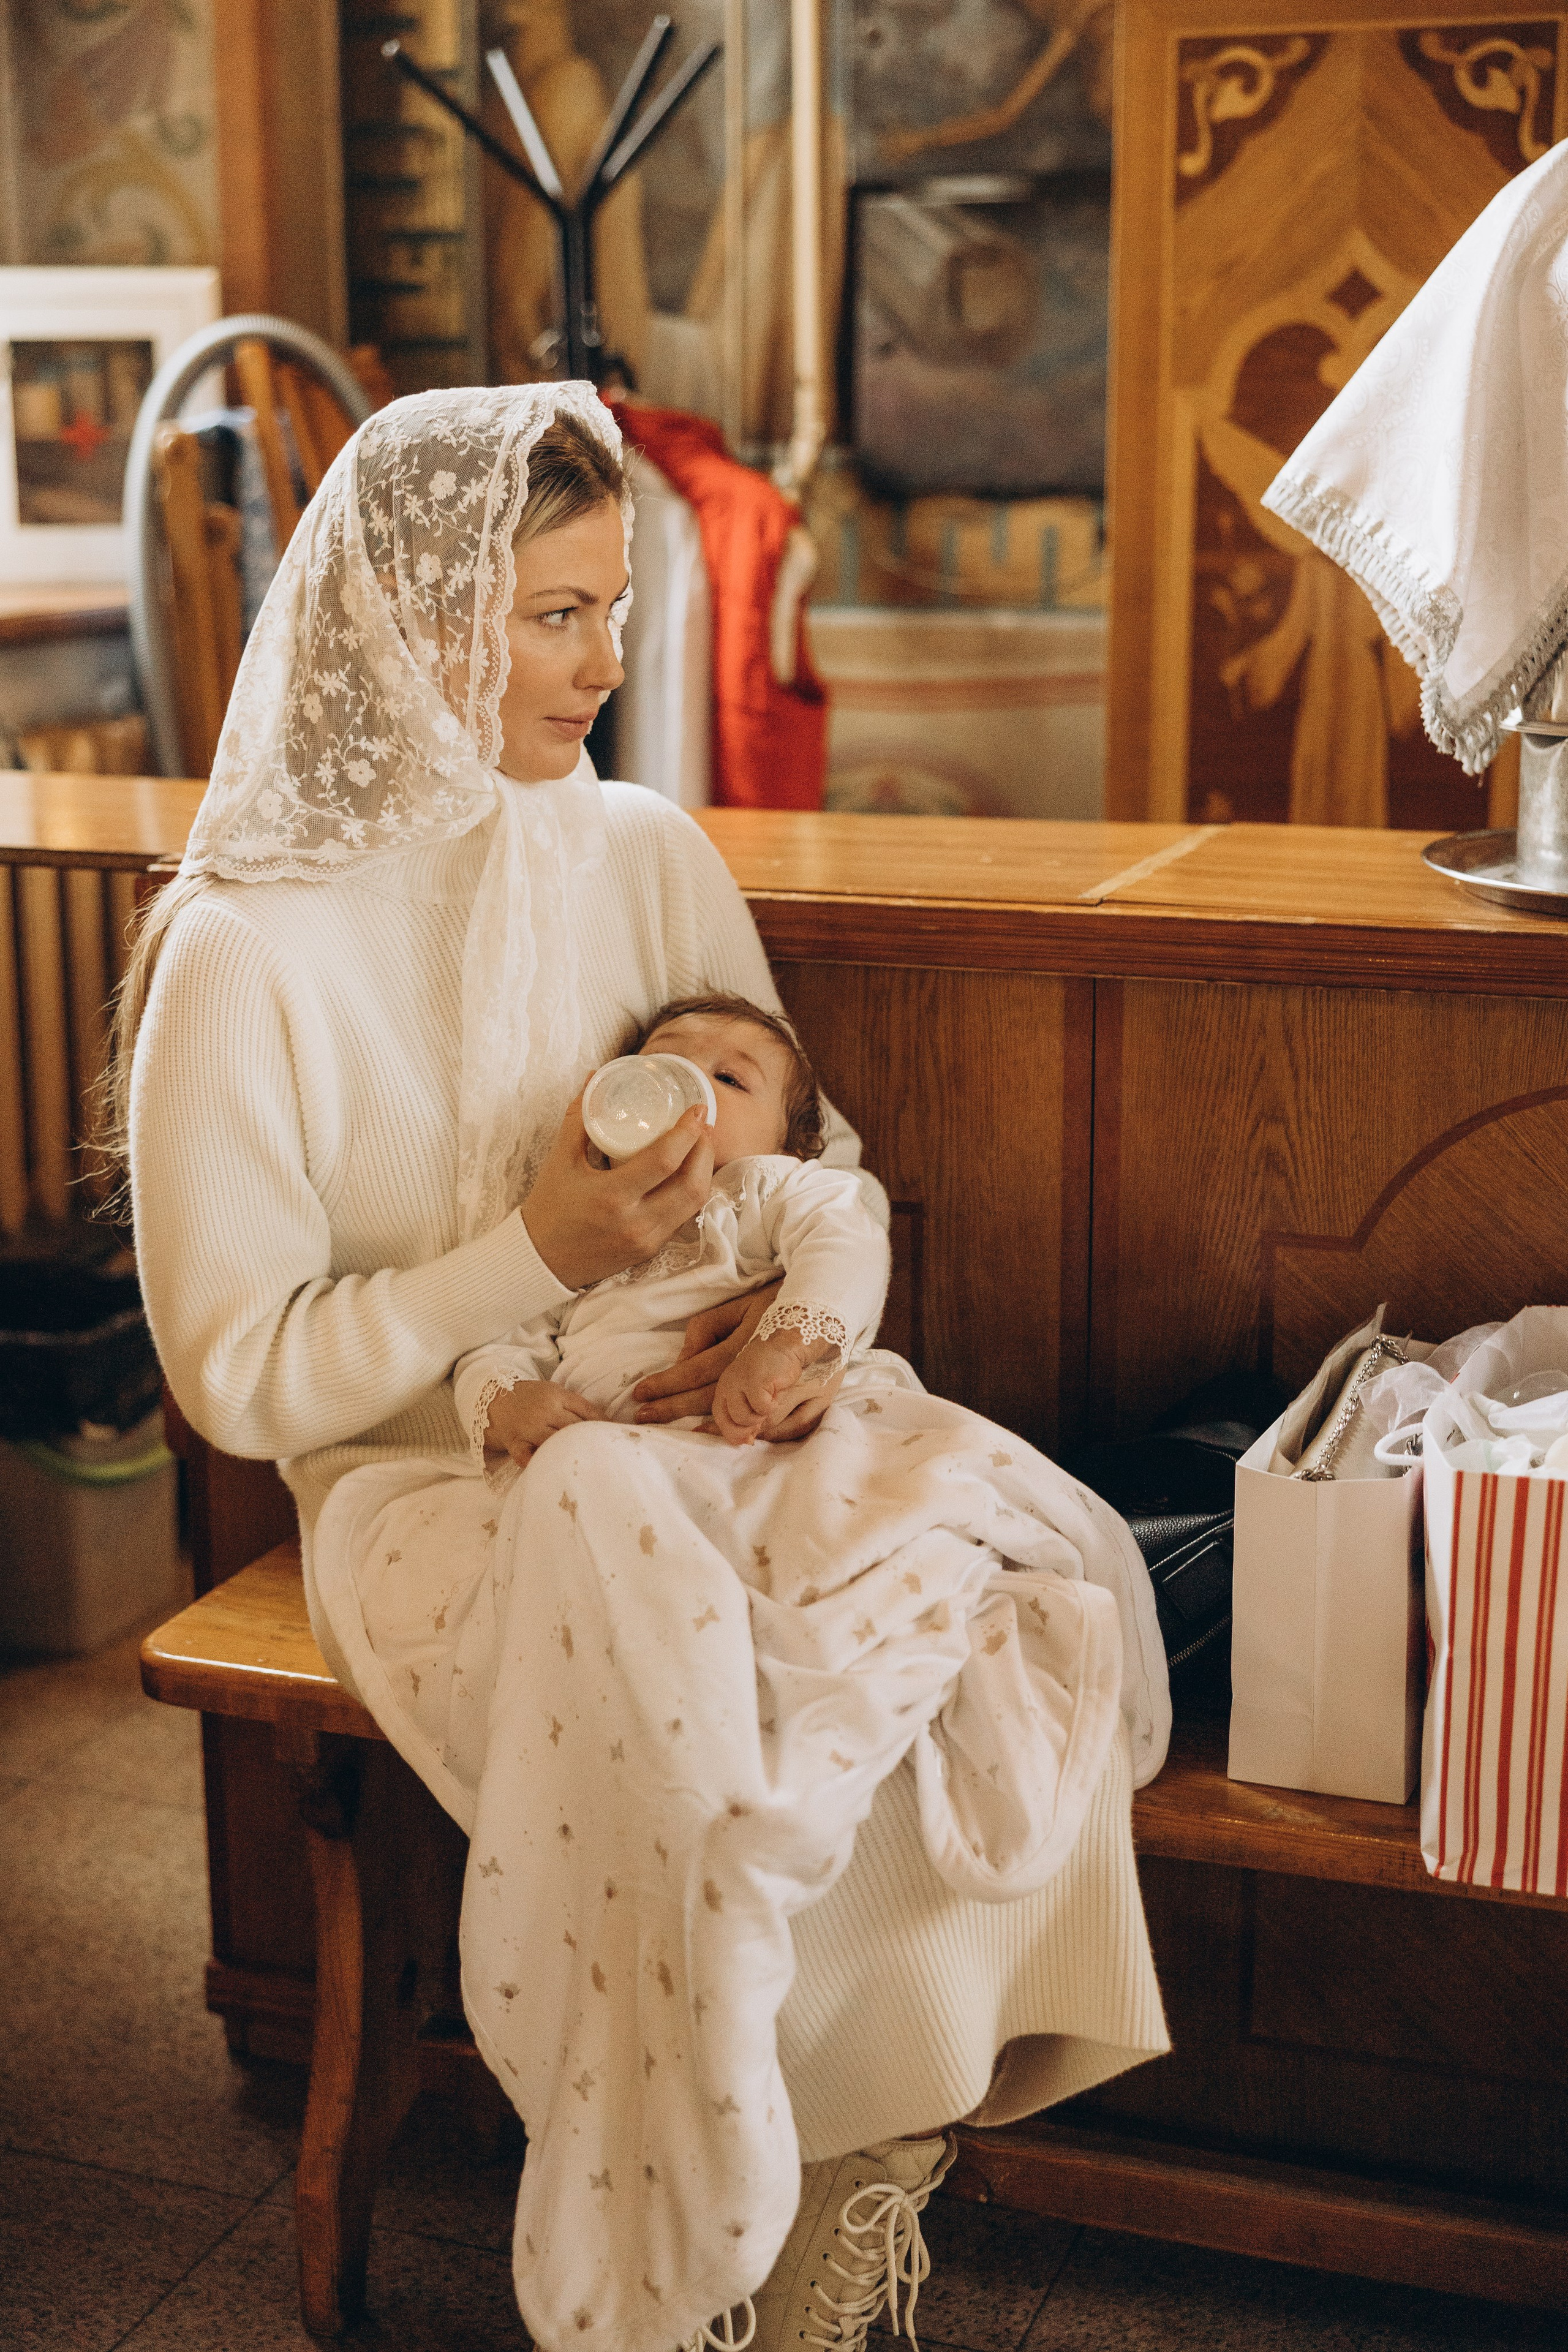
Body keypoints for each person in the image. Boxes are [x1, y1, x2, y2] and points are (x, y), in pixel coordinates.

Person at [121, 383, 1170, 2352]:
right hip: (436, 1479)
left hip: (713, 1427)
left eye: (617, 606)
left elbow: (808, 1158)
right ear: (410, 617)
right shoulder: (240, 955)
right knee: (697, 1682)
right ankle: (699, 2235)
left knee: (943, 1623)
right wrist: (530, 1261)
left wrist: (781, 1334)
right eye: (550, 614)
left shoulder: (643, 849)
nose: (609, 663)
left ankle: (819, 2218)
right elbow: (247, 1385)